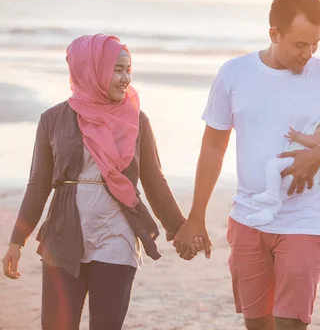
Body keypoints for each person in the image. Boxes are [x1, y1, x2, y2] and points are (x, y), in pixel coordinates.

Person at [174, 0, 320, 330]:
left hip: (307, 219)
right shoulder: (233, 74)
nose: (308, 53)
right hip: (249, 217)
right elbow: (213, 146)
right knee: (257, 323)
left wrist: (319, 155)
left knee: (290, 323)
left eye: (315, 44)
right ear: (274, 34)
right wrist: (196, 216)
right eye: (299, 44)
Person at [2, 34, 200, 330]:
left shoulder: (137, 120)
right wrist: (18, 240)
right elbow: (38, 184)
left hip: (116, 236)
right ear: (91, 69)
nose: (125, 79)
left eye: (128, 69)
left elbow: (153, 178)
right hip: (63, 234)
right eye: (117, 70)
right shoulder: (53, 119)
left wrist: (181, 228)